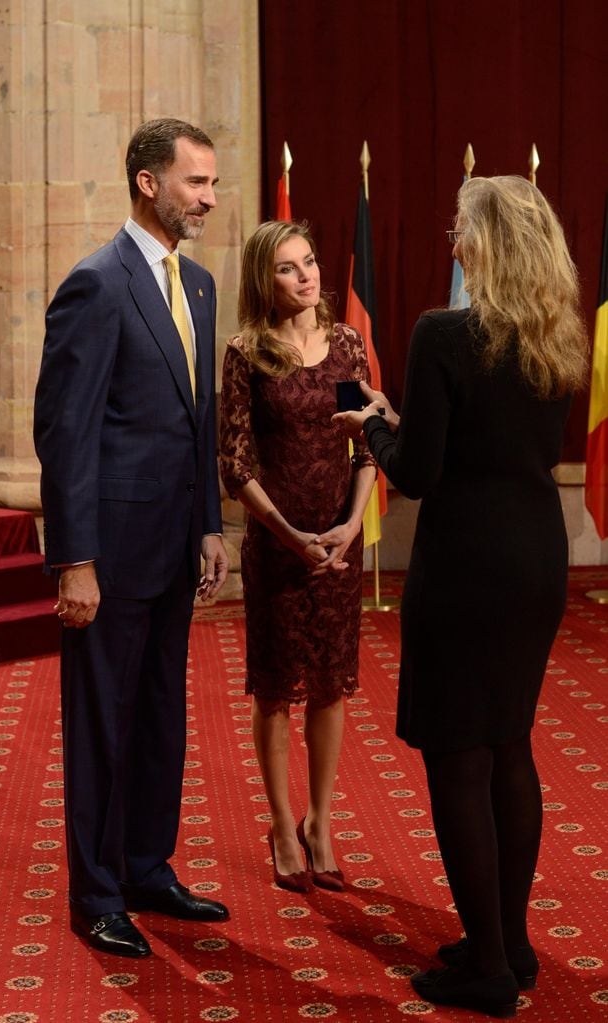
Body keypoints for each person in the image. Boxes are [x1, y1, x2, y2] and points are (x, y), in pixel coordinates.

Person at [333, 176, 587, 1017]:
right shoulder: (556, 334)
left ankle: (486, 970)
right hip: (535, 556)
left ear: (490, 242)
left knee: (458, 758)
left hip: (468, 567)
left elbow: (420, 470)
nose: (452, 244)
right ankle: (506, 943)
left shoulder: (443, 333)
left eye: (461, 230)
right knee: (509, 746)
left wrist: (370, 424)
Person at [33, 118, 230, 958]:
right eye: (197, 183)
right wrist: (74, 559)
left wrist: (212, 523)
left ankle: (149, 866)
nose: (211, 199)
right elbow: (64, 432)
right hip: (108, 553)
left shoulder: (200, 285)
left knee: (157, 716)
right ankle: (98, 890)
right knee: (102, 722)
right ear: (148, 182)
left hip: (176, 543)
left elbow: (200, 419)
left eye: (213, 184)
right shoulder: (96, 284)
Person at [219, 220, 376, 894]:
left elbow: (364, 445)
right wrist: (290, 535)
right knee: (279, 687)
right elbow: (236, 463)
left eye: (309, 260)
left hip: (338, 545)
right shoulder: (247, 353)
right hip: (279, 546)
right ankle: (282, 822)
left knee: (332, 683)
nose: (307, 274)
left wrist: (350, 527)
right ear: (265, 280)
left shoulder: (346, 347)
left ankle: (322, 823)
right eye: (288, 267)